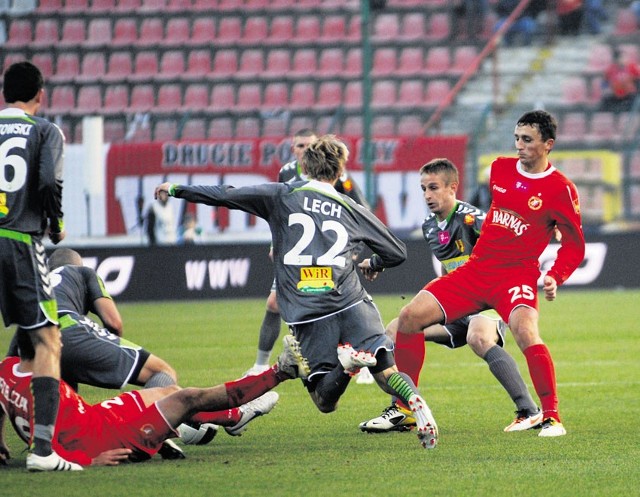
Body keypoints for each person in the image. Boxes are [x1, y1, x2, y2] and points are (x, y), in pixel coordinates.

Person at [155, 134, 439, 449]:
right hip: (352, 301)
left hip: (308, 309)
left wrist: (178, 189)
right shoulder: (350, 206)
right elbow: (397, 252)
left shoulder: (281, 195)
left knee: (324, 400)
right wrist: (373, 263)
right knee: (387, 370)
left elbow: (226, 194)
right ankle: (413, 399)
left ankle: (346, 366)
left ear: (303, 165)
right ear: (340, 170)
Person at [389, 110, 585, 438]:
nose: (519, 146)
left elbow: (575, 245)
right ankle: (407, 406)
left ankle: (550, 416)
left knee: (524, 332)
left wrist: (555, 275)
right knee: (408, 318)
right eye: (516, 138)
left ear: (548, 145)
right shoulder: (499, 169)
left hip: (516, 276)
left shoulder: (560, 189)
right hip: (476, 270)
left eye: (527, 140)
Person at [359, 159, 542, 434]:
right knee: (395, 330)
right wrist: (377, 263)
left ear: (452, 187)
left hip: (489, 298)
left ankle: (529, 410)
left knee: (478, 338)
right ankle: (404, 409)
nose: (427, 196)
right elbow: (449, 269)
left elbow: (512, 248)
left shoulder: (473, 219)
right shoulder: (430, 226)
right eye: (423, 189)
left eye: (433, 188)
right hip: (461, 303)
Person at [0, 331, 308, 468]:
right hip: (110, 440)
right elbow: (43, 446)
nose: (60, 339)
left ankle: (235, 417)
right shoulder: (45, 389)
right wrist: (90, 461)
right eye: (54, 335)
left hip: (97, 418)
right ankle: (282, 370)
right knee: (188, 398)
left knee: (168, 391)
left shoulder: (6, 369)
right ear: (42, 346)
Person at [243, 128, 372, 385]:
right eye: (300, 146)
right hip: (298, 255)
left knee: (343, 306)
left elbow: (361, 211)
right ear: (294, 149)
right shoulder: (287, 173)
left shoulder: (340, 177)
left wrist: (354, 250)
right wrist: (275, 242)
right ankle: (260, 364)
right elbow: (279, 212)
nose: (304, 150)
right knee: (273, 303)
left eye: (309, 146)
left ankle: (364, 359)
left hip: (329, 252)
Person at [0, 60, 79, 471]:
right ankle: (43, 450)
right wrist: (56, 224)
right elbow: (48, 181)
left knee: (21, 338)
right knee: (49, 340)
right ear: (40, 95)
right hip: (17, 240)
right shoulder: (45, 130)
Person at [600, 48, 640, 113]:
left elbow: (638, 79)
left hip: (629, 94)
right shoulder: (610, 69)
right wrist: (606, 89)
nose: (625, 59)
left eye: (625, 57)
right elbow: (604, 82)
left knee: (635, 100)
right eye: (622, 57)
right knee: (605, 100)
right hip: (615, 94)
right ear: (617, 59)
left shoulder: (632, 67)